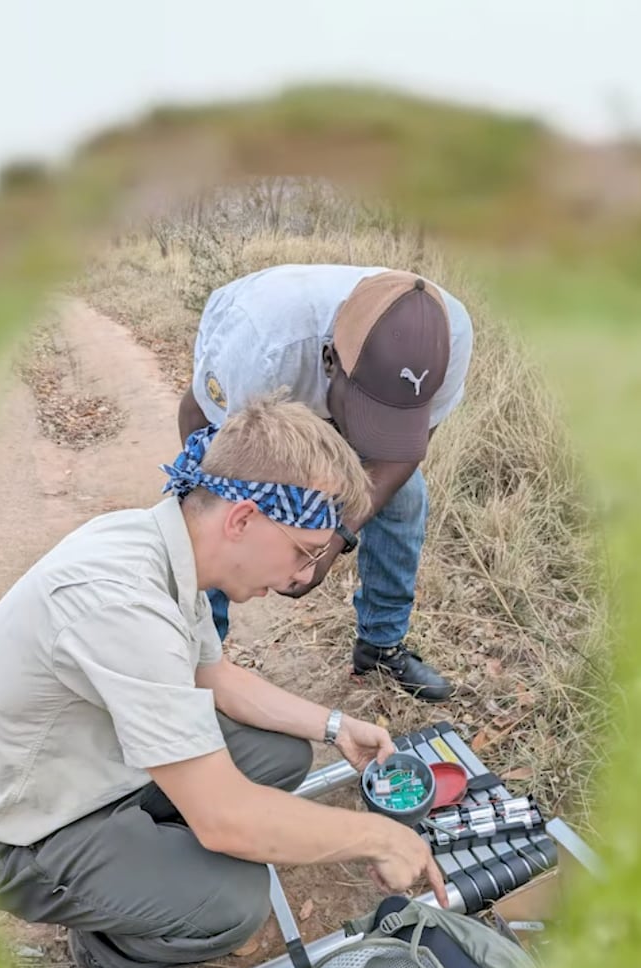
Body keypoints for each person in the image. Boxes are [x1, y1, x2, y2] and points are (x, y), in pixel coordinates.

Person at [0, 399, 449, 968]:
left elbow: (213, 678)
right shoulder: (120, 599)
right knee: (230, 904)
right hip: (30, 835)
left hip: (101, 769)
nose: (302, 578)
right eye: (301, 554)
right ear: (243, 518)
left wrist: (337, 726)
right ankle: (111, 955)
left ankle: (147, 874)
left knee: (277, 752)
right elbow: (223, 821)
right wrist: (379, 835)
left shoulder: (166, 544)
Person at [178, 264, 474, 703]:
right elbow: (199, 421)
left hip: (332, 383)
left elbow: (405, 454)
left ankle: (379, 646)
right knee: (222, 519)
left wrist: (335, 540)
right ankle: (202, 660)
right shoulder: (263, 343)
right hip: (269, 390)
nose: (370, 436)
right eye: (368, 415)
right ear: (330, 361)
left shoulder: (448, 338)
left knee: (405, 498)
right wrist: (234, 523)